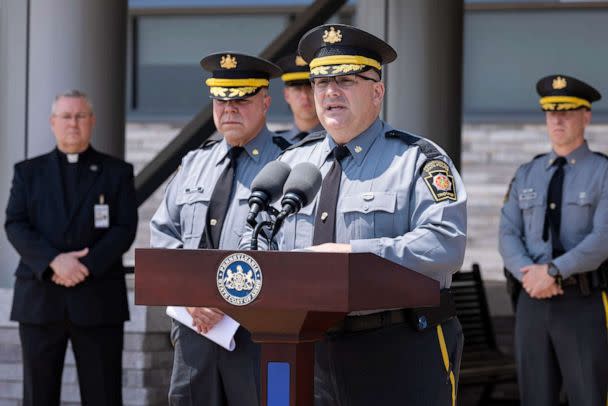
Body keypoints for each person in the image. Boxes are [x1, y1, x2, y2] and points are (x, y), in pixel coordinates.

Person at [243, 24, 467, 406]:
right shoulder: (290, 164)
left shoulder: (418, 159)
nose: (329, 92)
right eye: (320, 82)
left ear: (377, 92)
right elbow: (260, 244)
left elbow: (445, 244)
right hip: (302, 352)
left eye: (345, 80)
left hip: (396, 347)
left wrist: (355, 256)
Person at [150, 52, 287, 406]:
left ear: (266, 102)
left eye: (241, 99)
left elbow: (293, 247)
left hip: (260, 332)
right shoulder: (195, 163)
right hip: (197, 329)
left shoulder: (291, 163)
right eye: (221, 99)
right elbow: (164, 235)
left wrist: (230, 296)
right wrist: (191, 294)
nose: (229, 109)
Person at [5, 89, 137, 406]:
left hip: (98, 298)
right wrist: (54, 261)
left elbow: (125, 228)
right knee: (38, 395)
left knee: (103, 394)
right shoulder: (28, 172)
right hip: (40, 298)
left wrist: (85, 266)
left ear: (92, 121)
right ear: (53, 122)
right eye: (66, 116)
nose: (73, 123)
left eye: (80, 116)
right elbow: (15, 223)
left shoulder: (117, 172)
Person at [499, 74, 608, 406]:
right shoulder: (527, 172)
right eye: (551, 112)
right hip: (532, 300)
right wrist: (530, 276)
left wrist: (554, 271)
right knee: (534, 397)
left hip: (583, 301)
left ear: (586, 116)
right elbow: (507, 234)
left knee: (589, 396)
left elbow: (603, 238)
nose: (557, 119)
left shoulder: (603, 171)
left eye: (567, 111)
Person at [274, 53, 323, 142]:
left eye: (310, 87)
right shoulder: (274, 144)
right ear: (286, 95)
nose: (304, 96)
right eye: (297, 89)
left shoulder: (338, 141)